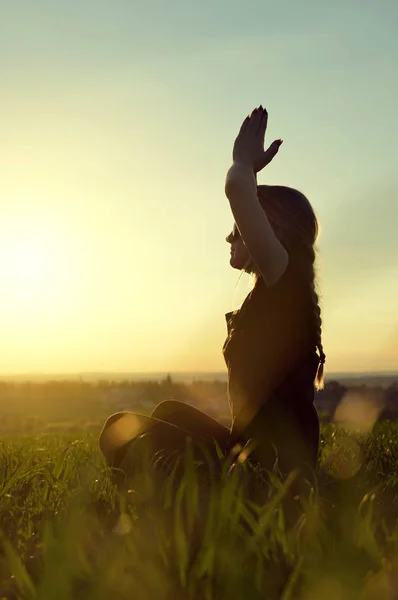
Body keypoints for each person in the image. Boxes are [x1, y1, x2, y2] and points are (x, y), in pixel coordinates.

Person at [99, 105, 325, 485]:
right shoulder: (276, 292)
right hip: (254, 451)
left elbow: (237, 190)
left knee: (118, 428)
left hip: (272, 470)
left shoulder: (285, 282)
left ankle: (191, 502)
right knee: (168, 411)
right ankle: (196, 490)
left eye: (239, 227)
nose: (230, 235)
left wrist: (244, 164)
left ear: (270, 232)